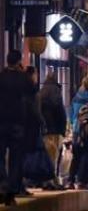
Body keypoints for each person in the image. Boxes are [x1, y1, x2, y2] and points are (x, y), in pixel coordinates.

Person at [0, 51, 36, 206]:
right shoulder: (24, 78)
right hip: (18, 123)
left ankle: (2, 184)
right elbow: (33, 93)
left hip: (1, 121)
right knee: (16, 158)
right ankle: (11, 191)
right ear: (19, 61)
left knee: (0, 156)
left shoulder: (1, 77)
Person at [39, 71, 67, 190]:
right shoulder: (55, 91)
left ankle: (46, 180)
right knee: (53, 156)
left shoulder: (42, 91)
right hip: (54, 129)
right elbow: (60, 111)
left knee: (46, 155)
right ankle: (52, 180)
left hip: (44, 129)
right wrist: (63, 128)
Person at [21, 65, 43, 194]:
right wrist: (41, 121)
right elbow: (35, 110)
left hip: (20, 125)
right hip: (30, 127)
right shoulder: (32, 90)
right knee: (28, 154)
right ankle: (26, 180)